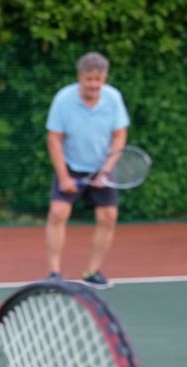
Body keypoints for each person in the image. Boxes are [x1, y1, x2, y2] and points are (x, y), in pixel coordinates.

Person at [44, 52, 130, 289]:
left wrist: (106, 171)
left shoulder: (113, 98)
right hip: (71, 165)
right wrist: (64, 177)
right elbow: (54, 139)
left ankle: (92, 272)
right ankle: (54, 273)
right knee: (58, 212)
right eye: (89, 79)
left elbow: (120, 135)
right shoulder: (63, 99)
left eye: (98, 80)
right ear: (79, 77)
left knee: (108, 216)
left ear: (105, 78)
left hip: (102, 165)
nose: (94, 85)